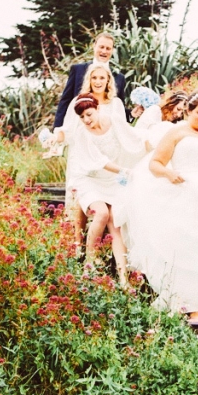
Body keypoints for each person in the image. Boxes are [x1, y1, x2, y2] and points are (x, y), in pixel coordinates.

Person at [125, 91, 198, 326]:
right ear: (188, 111)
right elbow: (155, 164)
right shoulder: (176, 133)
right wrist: (170, 173)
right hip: (184, 196)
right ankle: (192, 311)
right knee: (187, 250)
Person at [62, 93, 148, 286]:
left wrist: (151, 145)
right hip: (89, 178)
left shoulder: (114, 121)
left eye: (89, 114)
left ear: (98, 109)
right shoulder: (82, 133)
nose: (86, 120)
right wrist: (125, 171)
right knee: (100, 213)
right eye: (82, 117)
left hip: (112, 180)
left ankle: (124, 277)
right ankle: (90, 263)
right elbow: (100, 162)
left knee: (115, 223)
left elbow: (133, 139)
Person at [53, 63, 129, 242]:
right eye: (94, 77)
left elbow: (122, 130)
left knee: (107, 210)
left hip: (110, 158)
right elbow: (68, 129)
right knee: (81, 199)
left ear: (108, 80)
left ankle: (103, 245)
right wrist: (56, 137)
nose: (98, 81)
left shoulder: (115, 103)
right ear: (89, 79)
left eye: (102, 77)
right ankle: (78, 242)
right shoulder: (79, 100)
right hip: (84, 155)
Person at [53, 33, 130, 128]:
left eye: (108, 48)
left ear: (112, 50)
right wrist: (57, 130)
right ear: (94, 46)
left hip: (105, 131)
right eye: (101, 47)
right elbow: (65, 102)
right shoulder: (77, 70)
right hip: (79, 128)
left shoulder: (119, 77)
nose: (104, 51)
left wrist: (132, 114)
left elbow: (119, 109)